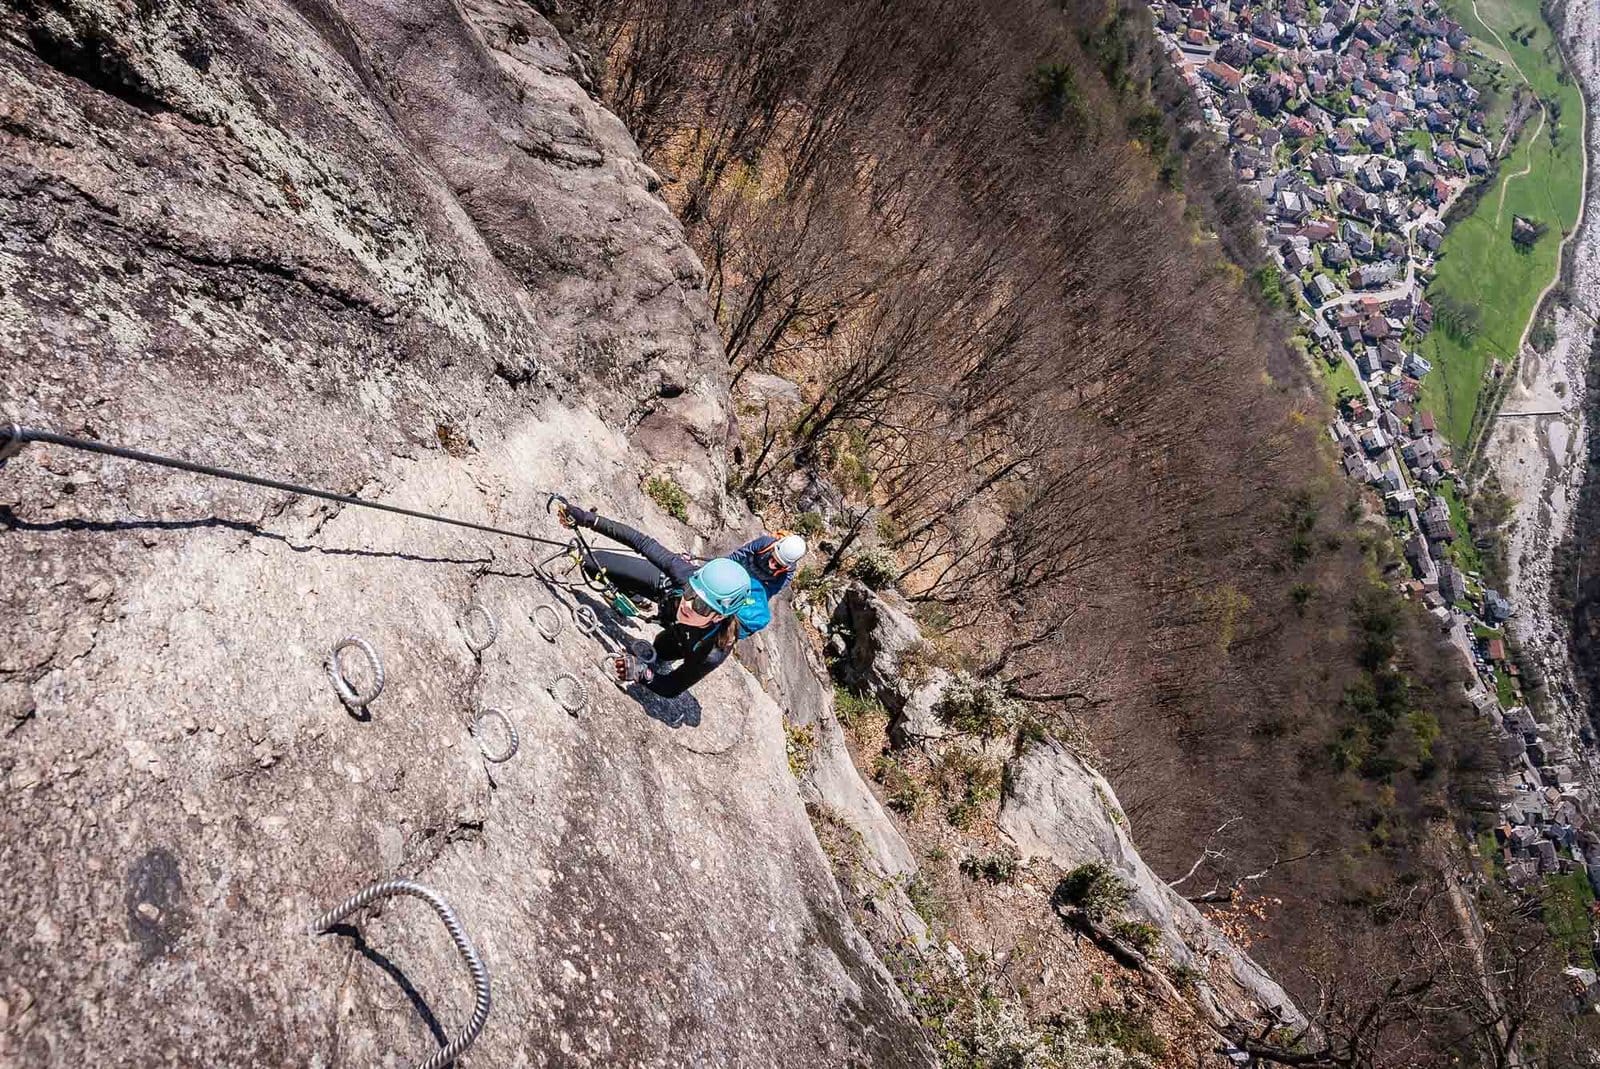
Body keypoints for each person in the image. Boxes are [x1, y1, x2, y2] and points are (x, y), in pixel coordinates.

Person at [555, 499, 762, 698]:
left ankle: (664, 636)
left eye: (701, 606)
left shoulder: (712, 651)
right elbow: (641, 542)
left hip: (681, 638)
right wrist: (588, 519)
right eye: (691, 593)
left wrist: (641, 673)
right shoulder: (686, 576)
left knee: (660, 650)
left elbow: (672, 686)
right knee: (593, 563)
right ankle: (636, 597)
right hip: (664, 592)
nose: (688, 605)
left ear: (719, 617)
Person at [724, 531, 807, 638]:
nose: (772, 565)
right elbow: (740, 554)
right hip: (741, 570)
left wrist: (753, 596)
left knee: (757, 615)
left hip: (756, 585)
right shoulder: (764, 543)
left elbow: (769, 591)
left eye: (778, 565)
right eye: (773, 558)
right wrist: (723, 566)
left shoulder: (788, 572)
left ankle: (732, 632)